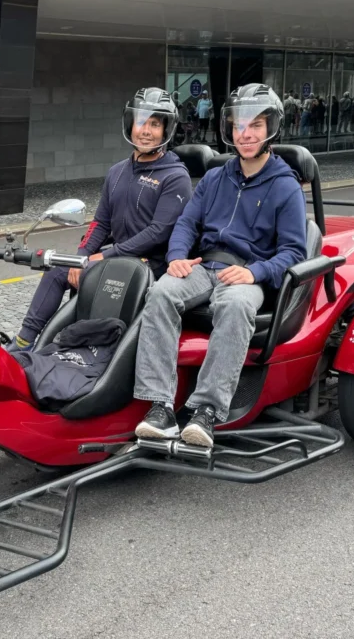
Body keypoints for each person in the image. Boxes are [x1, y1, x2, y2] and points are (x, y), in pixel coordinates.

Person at [133, 83, 307, 448]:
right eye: (240, 126)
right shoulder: (215, 177)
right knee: (161, 291)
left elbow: (294, 252)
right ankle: (161, 405)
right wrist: (178, 257)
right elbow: (186, 223)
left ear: (272, 128)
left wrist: (255, 273)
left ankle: (206, 410)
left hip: (248, 271)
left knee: (235, 304)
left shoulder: (285, 185)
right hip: (203, 264)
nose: (246, 134)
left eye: (256, 126)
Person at [10, 87, 193, 349]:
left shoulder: (175, 176)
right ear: (130, 124)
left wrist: (104, 256)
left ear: (166, 130)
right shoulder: (117, 171)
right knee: (57, 271)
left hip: (151, 263)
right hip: (118, 257)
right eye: (141, 122)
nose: (146, 130)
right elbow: (101, 222)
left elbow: (158, 232)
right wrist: (81, 255)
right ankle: (24, 342)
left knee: (94, 275)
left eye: (155, 124)